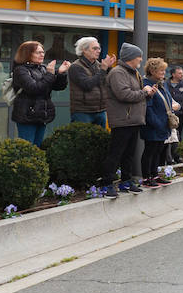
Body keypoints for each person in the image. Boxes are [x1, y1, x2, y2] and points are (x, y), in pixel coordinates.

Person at [100, 43, 150, 198]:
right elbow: (124, 95)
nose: (141, 59)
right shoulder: (117, 72)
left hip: (133, 119)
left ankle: (126, 181)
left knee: (128, 154)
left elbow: (134, 94)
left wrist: (147, 93)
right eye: (139, 56)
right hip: (122, 120)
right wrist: (144, 92)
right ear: (131, 58)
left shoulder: (133, 72)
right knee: (116, 153)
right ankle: (107, 183)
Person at [10, 40, 71, 147]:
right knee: (27, 149)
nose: (42, 54)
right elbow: (35, 88)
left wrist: (61, 73)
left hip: (42, 115)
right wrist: (50, 74)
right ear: (28, 54)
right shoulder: (20, 70)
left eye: (43, 52)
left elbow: (58, 87)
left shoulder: (43, 68)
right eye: (38, 52)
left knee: (38, 147)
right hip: (27, 115)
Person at [68, 37, 115, 126]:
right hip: (83, 112)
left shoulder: (99, 65)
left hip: (100, 111)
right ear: (84, 50)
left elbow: (107, 84)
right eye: (94, 48)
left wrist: (108, 68)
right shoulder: (76, 67)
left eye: (99, 48)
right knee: (83, 139)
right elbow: (87, 85)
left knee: (100, 139)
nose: (98, 51)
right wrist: (103, 70)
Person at [140, 58, 172, 187]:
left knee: (158, 151)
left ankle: (155, 175)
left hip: (162, 124)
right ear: (152, 71)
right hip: (153, 125)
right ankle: (146, 177)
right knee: (150, 151)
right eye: (161, 70)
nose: (164, 73)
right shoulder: (146, 84)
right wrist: (157, 123)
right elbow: (148, 108)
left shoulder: (160, 84)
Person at [167, 66, 183, 138]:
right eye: (179, 73)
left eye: (182, 73)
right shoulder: (165, 84)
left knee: (178, 134)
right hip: (168, 113)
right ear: (173, 74)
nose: (182, 75)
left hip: (180, 114)